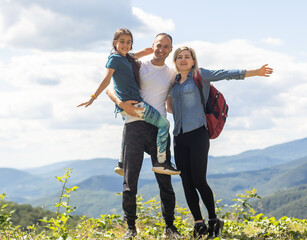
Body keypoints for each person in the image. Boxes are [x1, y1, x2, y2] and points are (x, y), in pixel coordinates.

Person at [167, 46, 273, 238]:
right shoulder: (173, 82)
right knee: (186, 182)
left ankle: (214, 220)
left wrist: (255, 72)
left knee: (199, 180)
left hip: (198, 133)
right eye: (179, 57)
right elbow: (170, 107)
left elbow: (226, 74)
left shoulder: (201, 75)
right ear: (174, 61)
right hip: (179, 136)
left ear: (193, 60)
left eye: (187, 57)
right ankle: (199, 224)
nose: (183, 60)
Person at [106, 33, 182, 240]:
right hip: (134, 126)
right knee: (130, 182)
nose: (162, 49)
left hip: (158, 131)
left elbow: (170, 104)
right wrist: (120, 104)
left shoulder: (171, 73)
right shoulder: (138, 65)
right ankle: (131, 229)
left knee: (165, 182)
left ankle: (170, 228)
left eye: (166, 46)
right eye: (159, 45)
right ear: (153, 46)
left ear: (170, 49)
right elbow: (110, 87)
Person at [78, 28, 179, 176]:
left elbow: (143, 52)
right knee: (164, 124)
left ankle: (121, 163)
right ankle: (162, 162)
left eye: (129, 42)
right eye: (122, 42)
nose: (125, 45)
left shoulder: (128, 58)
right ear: (115, 43)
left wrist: (156, 49)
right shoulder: (115, 59)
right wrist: (93, 97)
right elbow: (107, 80)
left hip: (128, 108)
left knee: (127, 130)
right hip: (136, 104)